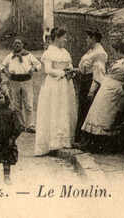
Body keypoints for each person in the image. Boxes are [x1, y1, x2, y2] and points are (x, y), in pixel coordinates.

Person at [82, 42, 124, 151]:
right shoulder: (118, 62)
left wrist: (122, 88)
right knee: (96, 114)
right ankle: (90, 141)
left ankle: (98, 144)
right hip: (105, 90)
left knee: (104, 117)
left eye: (115, 51)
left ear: (120, 51)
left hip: (113, 92)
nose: (114, 54)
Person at [34, 27, 78, 156]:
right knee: (54, 109)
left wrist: (71, 72)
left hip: (66, 85)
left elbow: (69, 65)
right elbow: (48, 70)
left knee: (65, 110)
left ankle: (64, 141)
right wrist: (62, 73)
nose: (65, 40)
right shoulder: (49, 52)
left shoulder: (65, 52)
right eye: (64, 37)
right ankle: (52, 143)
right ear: (57, 38)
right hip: (54, 85)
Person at [0, 38, 41, 133]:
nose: (17, 45)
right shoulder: (10, 56)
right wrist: (6, 72)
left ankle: (30, 125)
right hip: (14, 81)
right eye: (15, 43)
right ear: (13, 45)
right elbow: (2, 65)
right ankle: (20, 124)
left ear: (22, 45)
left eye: (19, 43)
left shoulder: (28, 55)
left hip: (26, 80)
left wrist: (33, 69)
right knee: (16, 105)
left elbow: (39, 64)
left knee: (28, 104)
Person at [74, 30, 108, 144]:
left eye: (88, 38)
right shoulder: (91, 51)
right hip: (85, 81)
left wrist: (92, 90)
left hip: (91, 83)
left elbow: (98, 74)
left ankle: (86, 141)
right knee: (83, 110)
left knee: (88, 111)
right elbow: (83, 67)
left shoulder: (100, 53)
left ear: (93, 38)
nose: (86, 40)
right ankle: (80, 139)